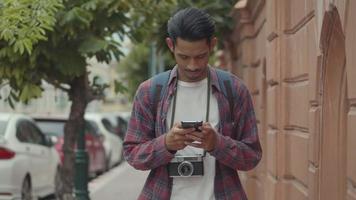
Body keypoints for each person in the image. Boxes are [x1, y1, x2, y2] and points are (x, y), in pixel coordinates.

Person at [124, 7, 262, 200]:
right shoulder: (150, 91)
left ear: (212, 45)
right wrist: (166, 144)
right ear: (171, 45)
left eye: (200, 56)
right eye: (184, 56)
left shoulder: (234, 90)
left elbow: (252, 156)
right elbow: (132, 154)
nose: (193, 65)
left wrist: (217, 143)